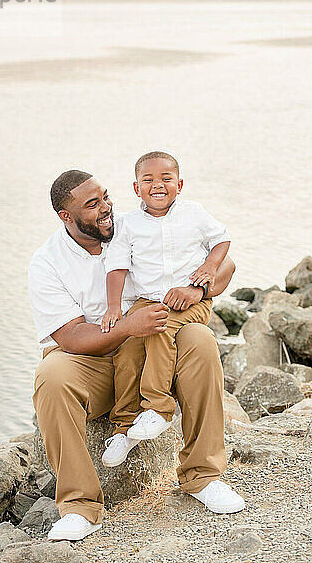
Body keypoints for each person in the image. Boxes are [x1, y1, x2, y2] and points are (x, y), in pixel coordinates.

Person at [28, 169, 245, 542]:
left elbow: (226, 265)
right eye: (92, 205)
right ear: (67, 216)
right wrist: (130, 326)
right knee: (52, 374)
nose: (106, 208)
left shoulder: (137, 224)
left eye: (106, 197)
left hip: (156, 350)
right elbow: (70, 335)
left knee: (201, 339)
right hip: (95, 360)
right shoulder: (47, 262)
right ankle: (80, 507)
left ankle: (202, 476)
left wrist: (198, 290)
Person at [100, 151, 230, 449]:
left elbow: (222, 239)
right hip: (147, 300)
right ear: (136, 188)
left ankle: (158, 407)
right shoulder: (128, 224)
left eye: (166, 178)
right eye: (148, 180)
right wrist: (112, 307)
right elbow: (117, 266)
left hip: (192, 302)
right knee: (128, 347)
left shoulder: (194, 213)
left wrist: (209, 268)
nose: (157, 185)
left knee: (160, 325)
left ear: (179, 184)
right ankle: (123, 428)